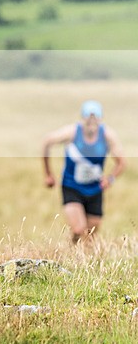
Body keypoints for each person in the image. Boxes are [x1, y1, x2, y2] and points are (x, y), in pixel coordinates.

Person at [42, 100, 125, 244]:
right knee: (78, 229)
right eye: (88, 118)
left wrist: (110, 179)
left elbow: (122, 162)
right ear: (83, 118)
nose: (91, 123)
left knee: (90, 236)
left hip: (95, 189)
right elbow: (47, 142)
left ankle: (80, 259)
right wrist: (48, 174)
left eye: (95, 118)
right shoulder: (72, 132)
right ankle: (72, 248)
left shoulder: (107, 136)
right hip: (72, 186)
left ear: (100, 119)